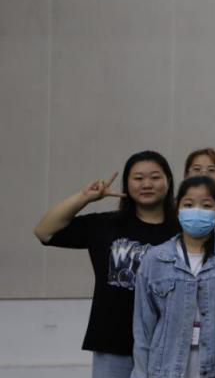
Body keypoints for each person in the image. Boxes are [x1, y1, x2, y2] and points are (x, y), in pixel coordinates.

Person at [33, 150, 180, 378]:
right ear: (126, 184)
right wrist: (85, 197)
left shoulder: (182, 231)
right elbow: (44, 231)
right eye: (138, 178)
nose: (147, 184)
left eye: (155, 177)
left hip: (166, 344)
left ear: (168, 181)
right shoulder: (106, 225)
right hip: (113, 344)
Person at [132, 176, 215, 378]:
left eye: (206, 205)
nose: (197, 211)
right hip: (164, 370)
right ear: (177, 208)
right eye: (188, 204)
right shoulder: (155, 259)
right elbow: (143, 330)